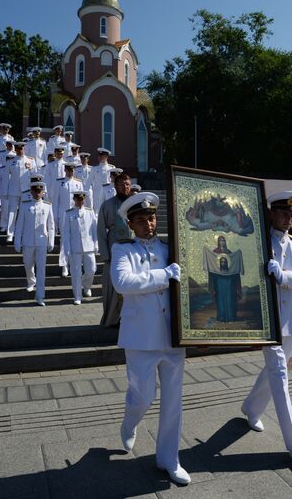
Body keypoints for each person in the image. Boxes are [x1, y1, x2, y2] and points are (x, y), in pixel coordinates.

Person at [110, 192, 190, 485]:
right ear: (131, 224)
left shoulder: (172, 249)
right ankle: (129, 422)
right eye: (141, 220)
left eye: (152, 218)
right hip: (140, 338)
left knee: (173, 401)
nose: (149, 224)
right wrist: (164, 276)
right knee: (143, 396)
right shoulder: (123, 250)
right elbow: (123, 283)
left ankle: (169, 458)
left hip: (172, 336)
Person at [241, 190, 292, 466]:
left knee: (274, 371)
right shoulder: (257, 242)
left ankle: (251, 408)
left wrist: (282, 275)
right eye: (283, 213)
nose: (287, 218)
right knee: (280, 375)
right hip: (267, 320)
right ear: (272, 213)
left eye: (291, 214)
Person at [97, 173, 132, 326]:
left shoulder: (134, 204)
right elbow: (100, 231)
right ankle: (113, 319)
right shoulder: (108, 205)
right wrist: (105, 254)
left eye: (128, 184)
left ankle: (130, 318)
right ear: (116, 186)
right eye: (122, 184)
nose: (126, 187)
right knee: (113, 287)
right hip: (114, 249)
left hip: (133, 250)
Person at [14, 181, 55, 306]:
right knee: (27, 264)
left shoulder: (48, 205)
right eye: (35, 191)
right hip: (27, 241)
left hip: (42, 241)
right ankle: (31, 282)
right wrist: (17, 240)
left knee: (41, 269)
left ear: (43, 192)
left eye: (40, 191)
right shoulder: (25, 205)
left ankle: (40, 296)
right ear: (31, 192)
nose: (38, 194)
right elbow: (19, 224)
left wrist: (51, 241)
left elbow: (51, 225)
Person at [64, 191, 98, 305]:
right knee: (75, 272)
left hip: (89, 246)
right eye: (78, 199)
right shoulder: (69, 213)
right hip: (75, 246)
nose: (80, 202)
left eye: (82, 199)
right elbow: (66, 233)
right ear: (74, 200)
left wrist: (96, 244)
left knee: (92, 269)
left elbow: (94, 229)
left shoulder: (90, 211)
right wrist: (67, 248)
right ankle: (77, 296)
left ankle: (86, 286)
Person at [6, 141, 37, 242]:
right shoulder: (10, 161)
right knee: (12, 212)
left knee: (27, 211)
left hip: (27, 190)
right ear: (15, 149)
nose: (20, 151)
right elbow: (6, 177)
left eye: (21, 149)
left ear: (24, 149)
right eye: (18, 149)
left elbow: (35, 176)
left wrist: (33, 190)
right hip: (14, 189)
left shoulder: (31, 160)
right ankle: (10, 234)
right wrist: (6, 191)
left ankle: (25, 232)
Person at [56, 162, 83, 276]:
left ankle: (75, 265)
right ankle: (64, 266)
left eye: (72, 170)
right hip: (63, 215)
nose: (70, 172)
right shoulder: (59, 182)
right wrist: (56, 216)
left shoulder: (78, 183)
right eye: (68, 170)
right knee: (64, 241)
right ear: (65, 170)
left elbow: (82, 201)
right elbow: (56, 201)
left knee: (76, 239)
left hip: (75, 215)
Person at [86, 148, 116, 214]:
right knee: (97, 213)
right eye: (99, 156)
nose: (100, 157)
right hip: (97, 195)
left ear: (106, 157)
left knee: (109, 212)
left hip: (109, 194)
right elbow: (88, 182)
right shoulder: (94, 169)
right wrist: (85, 194)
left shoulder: (112, 168)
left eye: (102, 156)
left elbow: (115, 182)